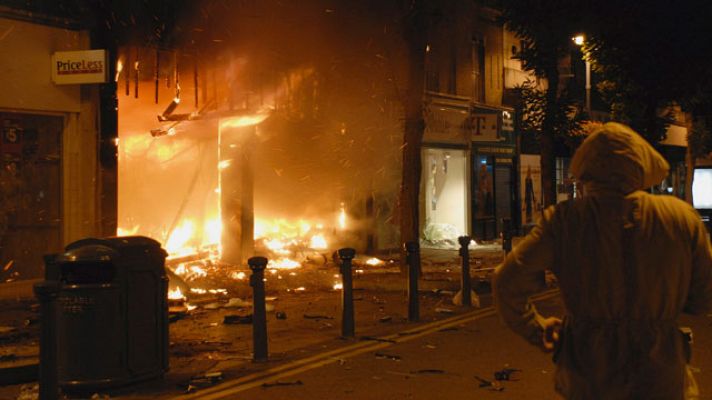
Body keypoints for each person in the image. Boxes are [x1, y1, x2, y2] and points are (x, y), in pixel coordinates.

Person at [493, 122, 712, 399]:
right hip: (660, 376)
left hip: (587, 375)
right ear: (640, 167)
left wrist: (539, 330)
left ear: (586, 172)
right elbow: (703, 298)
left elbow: (506, 282)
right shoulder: (681, 218)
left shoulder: (565, 220)